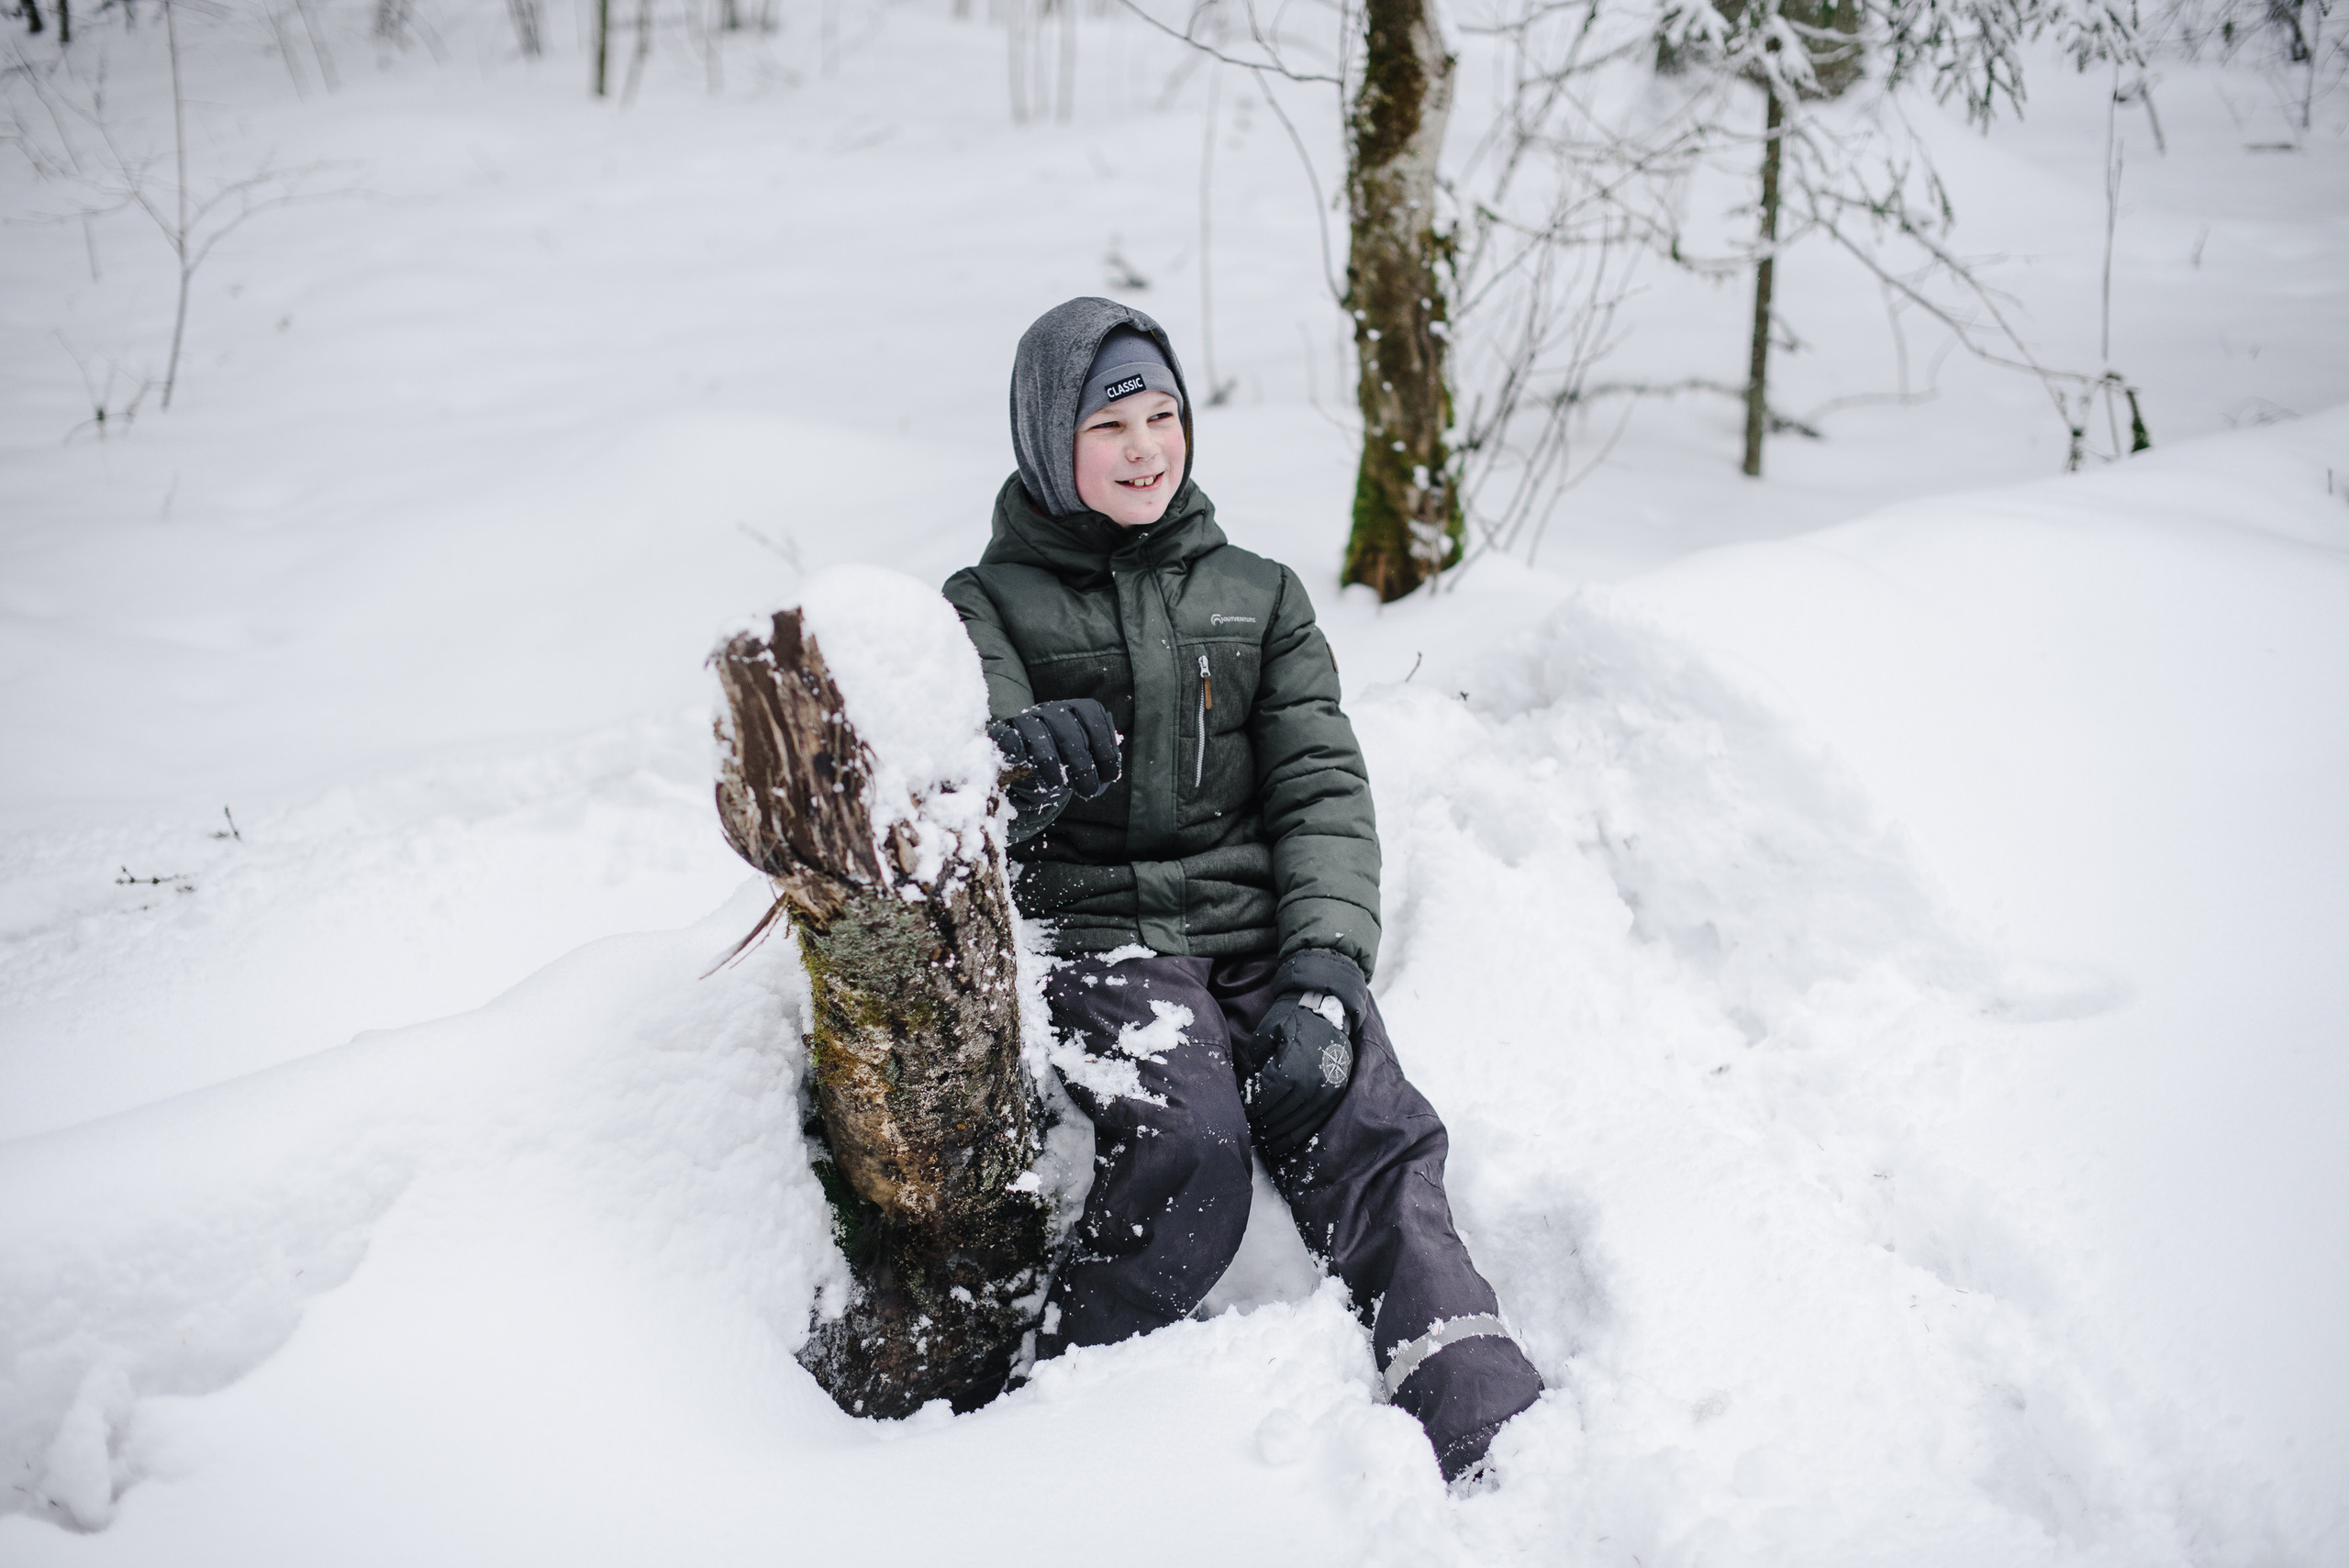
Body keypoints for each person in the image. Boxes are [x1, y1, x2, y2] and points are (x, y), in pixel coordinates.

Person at [942, 297, 1542, 1483]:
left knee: (1374, 1126)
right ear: (1048, 436)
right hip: (1106, 937)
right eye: (1112, 422)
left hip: (1255, 929)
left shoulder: (1258, 596)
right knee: (1191, 1141)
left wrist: (1324, 971)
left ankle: (1483, 1405)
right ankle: (1054, 1412)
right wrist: (1019, 757)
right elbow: (966, 789)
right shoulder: (983, 605)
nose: (1147, 446)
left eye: (1165, 415)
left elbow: (1320, 788)